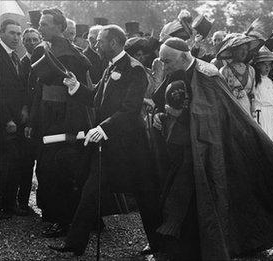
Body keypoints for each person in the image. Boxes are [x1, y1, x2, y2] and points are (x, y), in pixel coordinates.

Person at [151, 37, 273, 261]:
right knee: (183, 192)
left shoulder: (208, 74)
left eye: (167, 62)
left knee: (206, 194)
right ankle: (187, 244)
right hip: (185, 145)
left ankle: (214, 245)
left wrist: (179, 115)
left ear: (184, 56)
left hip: (212, 146)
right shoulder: (175, 70)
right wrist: (160, 113)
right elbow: (161, 100)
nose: (165, 66)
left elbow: (214, 115)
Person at [50, 24, 163, 256]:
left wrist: (103, 127)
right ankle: (75, 244)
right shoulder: (109, 67)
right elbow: (95, 97)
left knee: (146, 197)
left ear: (113, 42)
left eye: (100, 40)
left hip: (132, 147)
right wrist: (76, 87)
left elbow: (130, 109)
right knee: (90, 191)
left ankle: (160, 246)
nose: (96, 44)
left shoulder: (135, 69)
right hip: (109, 145)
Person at [30, 8, 93, 238]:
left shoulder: (71, 54)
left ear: (59, 27)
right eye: (40, 23)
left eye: (45, 24)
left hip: (64, 121)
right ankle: (56, 215)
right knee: (48, 168)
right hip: (49, 117)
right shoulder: (46, 48)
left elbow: (77, 93)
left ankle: (64, 220)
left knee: (59, 169)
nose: (40, 27)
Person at [0, 19, 27, 219]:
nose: (16, 37)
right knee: (3, 164)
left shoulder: (15, 57)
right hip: (4, 121)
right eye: (12, 33)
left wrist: (24, 109)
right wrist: (7, 118)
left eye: (18, 34)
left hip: (17, 120)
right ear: (1, 33)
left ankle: (9, 204)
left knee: (14, 163)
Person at [14, 27, 42, 216]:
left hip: (42, 118)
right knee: (25, 163)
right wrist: (24, 108)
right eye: (28, 40)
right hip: (26, 119)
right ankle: (23, 202)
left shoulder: (45, 60)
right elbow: (20, 91)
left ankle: (44, 201)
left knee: (44, 163)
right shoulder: (21, 63)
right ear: (23, 42)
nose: (31, 43)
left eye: (34, 39)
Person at [218, 34, 261, 115]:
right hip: (231, 110)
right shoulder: (225, 71)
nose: (244, 52)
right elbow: (221, 95)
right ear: (233, 51)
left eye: (246, 49)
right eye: (241, 49)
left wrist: (254, 110)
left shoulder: (251, 70)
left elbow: (253, 94)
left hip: (247, 109)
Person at [251, 46, 273, 145]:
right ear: (258, 66)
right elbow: (253, 98)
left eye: (269, 65)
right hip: (260, 111)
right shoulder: (255, 80)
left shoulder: (272, 80)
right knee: (263, 139)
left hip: (272, 111)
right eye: (264, 65)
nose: (267, 67)